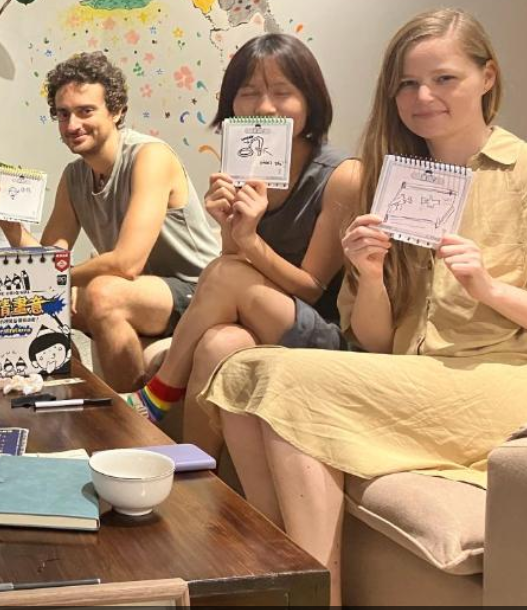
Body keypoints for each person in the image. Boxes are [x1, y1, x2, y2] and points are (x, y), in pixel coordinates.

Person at [200, 9, 527, 605]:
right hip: (413, 373)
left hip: (504, 380)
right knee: (245, 368)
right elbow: (375, 343)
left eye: (444, 79)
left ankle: (311, 598)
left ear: (488, 78)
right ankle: (287, 583)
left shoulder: (521, 173)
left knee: (288, 382)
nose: (422, 96)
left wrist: (490, 289)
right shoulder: (391, 184)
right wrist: (372, 277)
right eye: (407, 83)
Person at [120, 35, 360, 456]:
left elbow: (311, 288)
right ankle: (196, 484)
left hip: (324, 333)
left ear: (311, 101)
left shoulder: (341, 176)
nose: (264, 107)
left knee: (227, 274)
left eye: (283, 92)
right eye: (249, 93)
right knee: (218, 344)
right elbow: (231, 263)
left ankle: (157, 394)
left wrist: (247, 239)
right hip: (260, 313)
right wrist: (229, 224)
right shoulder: (244, 162)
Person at [0, 51, 219, 391]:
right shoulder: (74, 176)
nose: (72, 125)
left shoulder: (150, 157)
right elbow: (50, 261)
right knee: (33, 303)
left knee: (101, 294)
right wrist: (11, 228)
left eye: (85, 111)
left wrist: (64, 279)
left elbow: (126, 263)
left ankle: (131, 422)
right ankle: (71, 400)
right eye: (63, 115)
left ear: (117, 110)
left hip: (196, 290)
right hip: (140, 295)